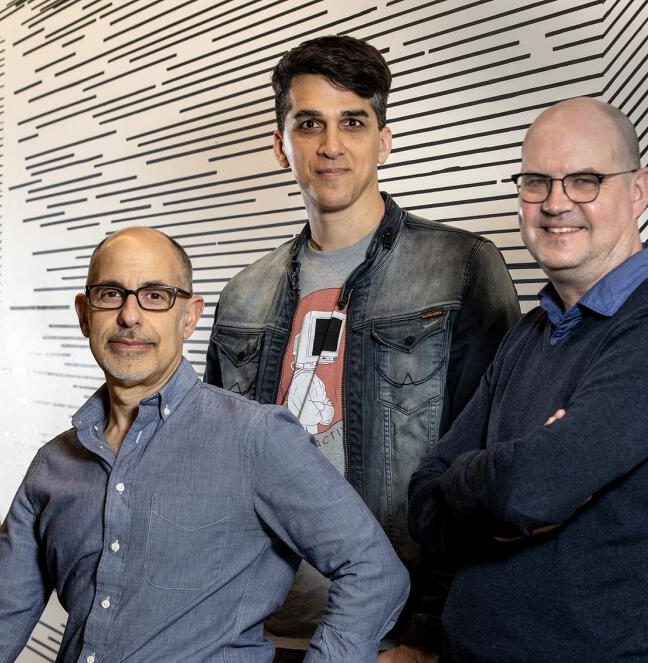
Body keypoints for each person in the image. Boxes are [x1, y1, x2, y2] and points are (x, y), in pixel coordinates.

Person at [0, 227, 410, 662]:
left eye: (155, 296)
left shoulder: (256, 438)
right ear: (85, 316)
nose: (129, 315)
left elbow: (373, 572)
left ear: (189, 316)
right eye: (111, 295)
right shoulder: (54, 465)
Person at [204, 35, 520, 662]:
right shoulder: (243, 297)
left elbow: (487, 470)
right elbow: (213, 472)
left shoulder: (460, 270)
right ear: (280, 144)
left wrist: (425, 635)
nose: (330, 144)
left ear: (383, 140)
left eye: (353, 121)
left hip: (389, 635)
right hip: (254, 633)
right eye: (309, 123)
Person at [407, 97, 648, 661]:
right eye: (536, 182)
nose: (556, 203)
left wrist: (483, 479)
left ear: (637, 191)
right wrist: (500, 479)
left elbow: (527, 489)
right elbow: (421, 500)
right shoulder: (530, 332)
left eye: (585, 180)